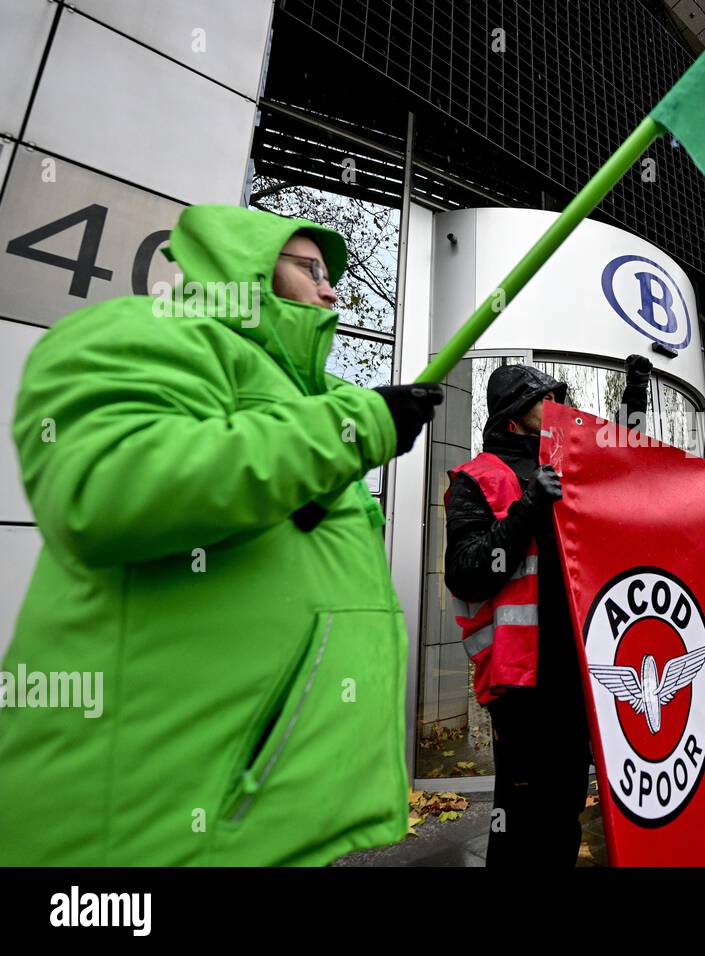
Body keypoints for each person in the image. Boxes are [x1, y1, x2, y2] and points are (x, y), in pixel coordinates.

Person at [0, 204, 441, 865]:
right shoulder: (149, 331)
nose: (330, 289)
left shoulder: (308, 402)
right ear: (250, 267)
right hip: (142, 836)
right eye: (310, 268)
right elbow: (103, 485)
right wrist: (351, 428)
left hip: (269, 828)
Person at [444, 355, 649, 866]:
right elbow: (467, 571)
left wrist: (636, 394)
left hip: (576, 670)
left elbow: (626, 461)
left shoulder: (567, 466)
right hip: (520, 682)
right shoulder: (478, 478)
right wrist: (528, 508)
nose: (556, 406)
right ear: (513, 415)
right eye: (544, 398)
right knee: (520, 813)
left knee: (564, 809)